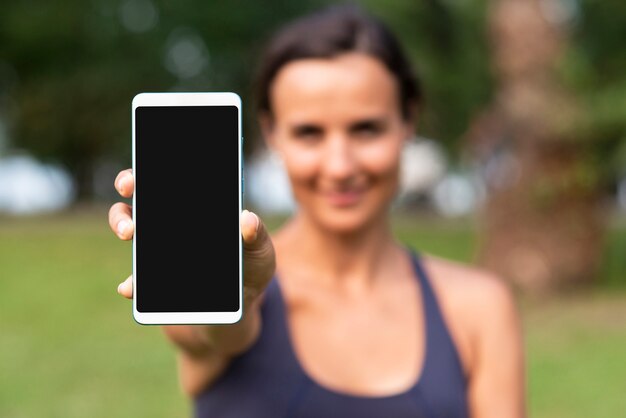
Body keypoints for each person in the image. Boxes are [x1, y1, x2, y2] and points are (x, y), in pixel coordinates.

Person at [108, 3, 526, 417]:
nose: (340, 166)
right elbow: (209, 333)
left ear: (408, 120)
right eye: (309, 133)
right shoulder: (237, 284)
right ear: (271, 133)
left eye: (366, 129)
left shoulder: (477, 308)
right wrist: (232, 293)